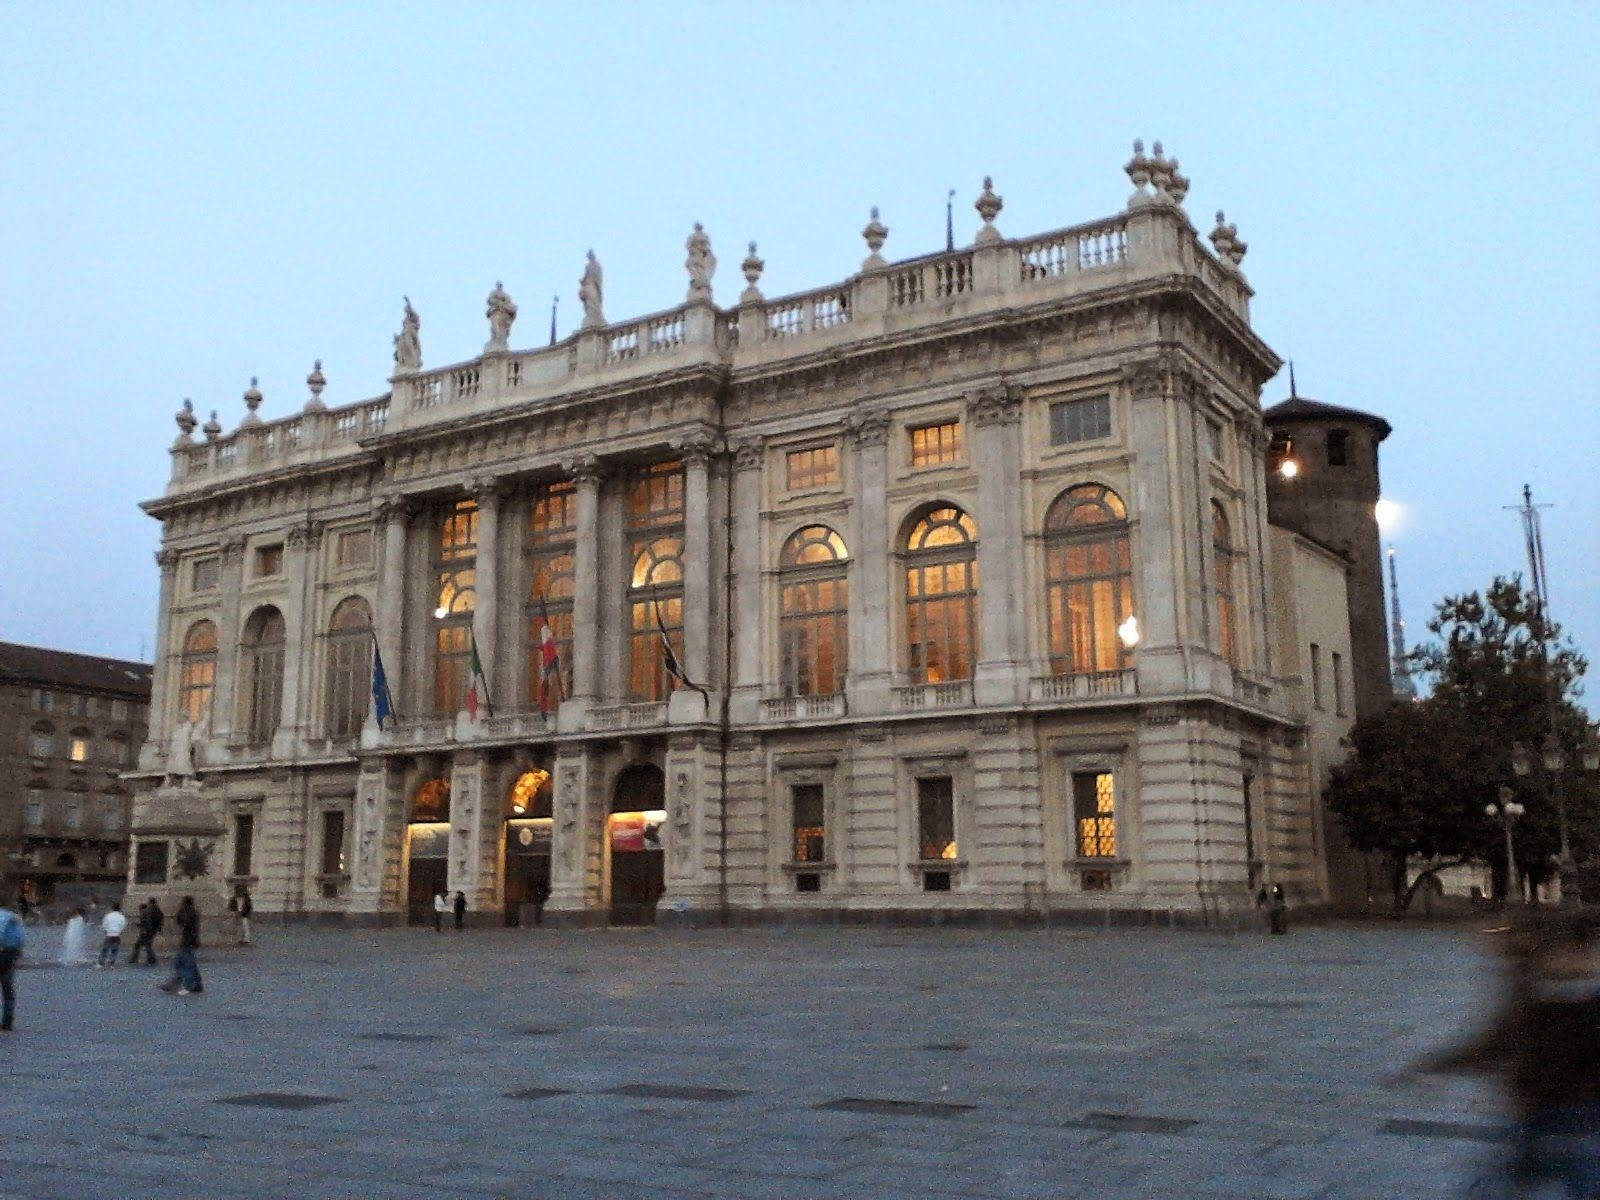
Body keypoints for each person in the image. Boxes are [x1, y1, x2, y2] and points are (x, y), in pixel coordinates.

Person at [1407, 911, 1600, 1196]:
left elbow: (1496, 1047)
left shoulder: (1570, 1005)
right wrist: (1436, 1065)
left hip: (1577, 1125)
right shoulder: (1532, 998)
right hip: (1537, 1122)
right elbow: (1494, 1047)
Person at [160, 896, 202, 996]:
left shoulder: (187, 912)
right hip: (191, 941)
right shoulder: (193, 912)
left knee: (183, 964)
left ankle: (187, 985)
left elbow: (181, 922)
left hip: (188, 941)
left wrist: (180, 912)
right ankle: (196, 984)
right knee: (189, 963)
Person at [0, 901, 26, 1032]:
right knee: (7, 987)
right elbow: (22, 937)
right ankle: (7, 1021)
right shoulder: (15, 918)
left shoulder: (2, 915)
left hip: (3, 952)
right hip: (12, 953)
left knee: (6, 986)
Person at [97, 901, 127, 968]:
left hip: (109, 934)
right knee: (115, 949)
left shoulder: (108, 916)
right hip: (117, 935)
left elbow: (104, 925)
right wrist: (119, 931)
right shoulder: (121, 916)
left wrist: (106, 931)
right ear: (119, 908)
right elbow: (123, 925)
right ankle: (111, 963)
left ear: (112, 908)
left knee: (105, 949)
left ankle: (101, 963)